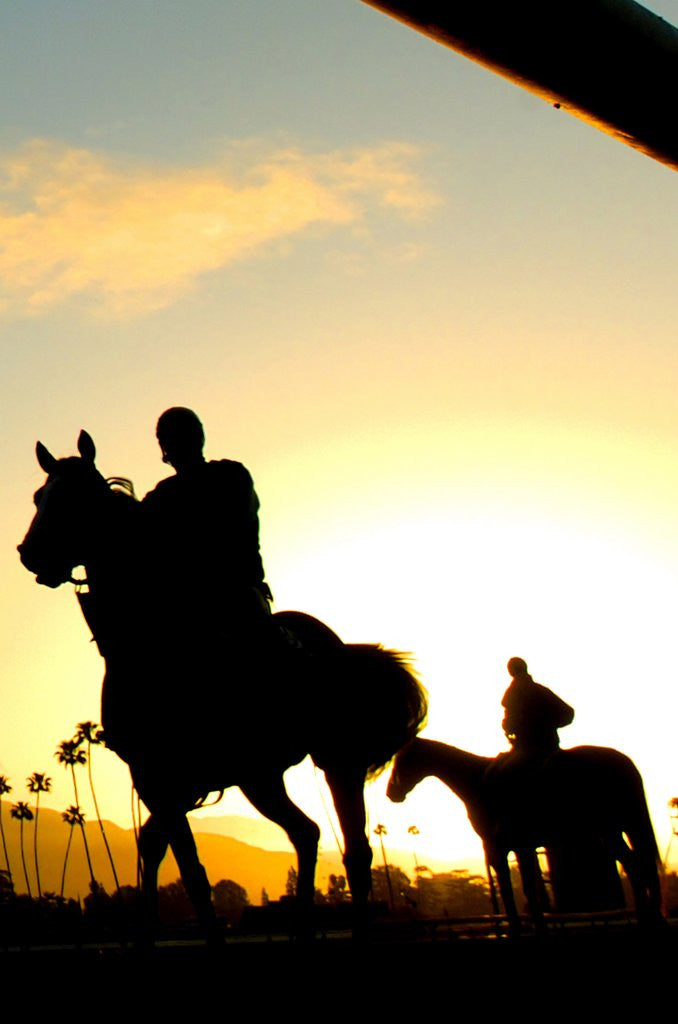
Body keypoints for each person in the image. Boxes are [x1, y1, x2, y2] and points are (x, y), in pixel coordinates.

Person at [142, 407, 273, 647]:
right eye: (169, 439)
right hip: (182, 605)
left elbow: (235, 530)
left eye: (178, 436)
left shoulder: (230, 475)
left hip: (237, 595)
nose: (174, 445)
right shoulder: (159, 496)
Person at [501, 656, 574, 758]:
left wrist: (542, 727)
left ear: (511, 671)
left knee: (500, 772)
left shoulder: (515, 694)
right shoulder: (540, 690)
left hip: (531, 749)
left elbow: (568, 712)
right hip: (529, 747)